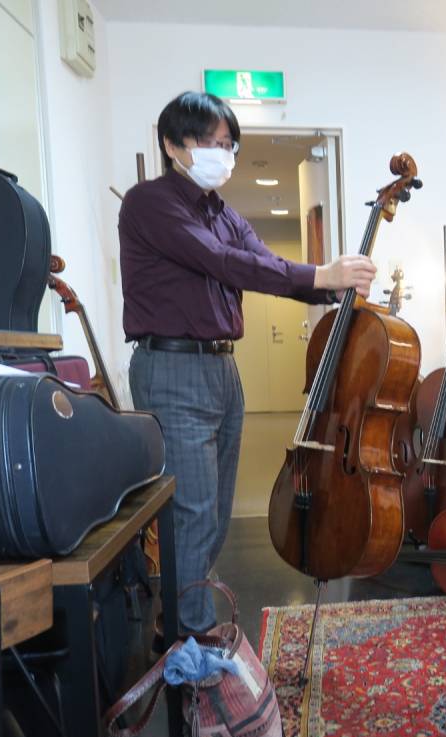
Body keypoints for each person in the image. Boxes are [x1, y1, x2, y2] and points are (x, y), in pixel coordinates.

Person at [119, 91, 376, 633]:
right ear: (172, 145)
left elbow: (264, 262)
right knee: (192, 511)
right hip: (173, 368)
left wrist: (334, 288)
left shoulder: (224, 212)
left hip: (221, 370)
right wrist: (320, 276)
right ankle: (194, 639)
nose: (224, 154)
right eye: (211, 143)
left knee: (212, 512)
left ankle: (182, 618)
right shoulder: (150, 203)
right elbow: (220, 262)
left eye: (229, 144)